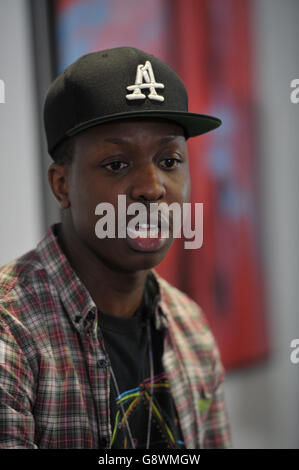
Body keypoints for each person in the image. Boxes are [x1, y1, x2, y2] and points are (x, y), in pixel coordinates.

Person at [0, 47, 232, 449]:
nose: (151, 187)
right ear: (62, 185)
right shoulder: (12, 336)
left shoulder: (190, 329)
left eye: (170, 160)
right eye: (116, 164)